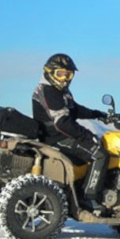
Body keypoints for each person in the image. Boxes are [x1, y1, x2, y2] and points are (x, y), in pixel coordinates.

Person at [32, 53, 109, 205]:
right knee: (100, 155)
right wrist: (87, 136)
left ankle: (82, 187)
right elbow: (62, 123)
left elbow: (74, 110)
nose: (65, 78)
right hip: (56, 137)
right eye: (60, 74)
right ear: (49, 72)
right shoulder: (49, 91)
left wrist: (96, 114)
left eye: (68, 74)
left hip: (57, 135)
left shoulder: (58, 90)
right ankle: (90, 198)